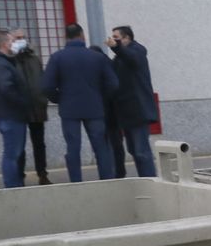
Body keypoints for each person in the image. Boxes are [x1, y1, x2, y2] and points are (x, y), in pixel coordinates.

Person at [42, 23, 118, 181]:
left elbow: (47, 86)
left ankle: (76, 182)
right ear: (83, 36)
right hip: (94, 108)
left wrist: (59, 99)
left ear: (66, 37)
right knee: (100, 147)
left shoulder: (57, 57)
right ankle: (107, 180)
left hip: (69, 109)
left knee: (73, 148)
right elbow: (113, 83)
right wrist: (99, 97)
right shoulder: (97, 57)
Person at [105, 25, 158, 177]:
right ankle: (144, 178)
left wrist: (117, 48)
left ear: (127, 38)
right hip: (126, 111)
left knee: (141, 150)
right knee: (134, 150)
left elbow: (132, 58)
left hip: (138, 110)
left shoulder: (137, 50)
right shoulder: (120, 57)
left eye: (117, 38)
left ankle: (149, 180)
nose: (113, 41)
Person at [0, 29, 29, 189]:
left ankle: (15, 185)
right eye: (12, 40)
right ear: (4, 44)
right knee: (12, 154)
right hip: (10, 114)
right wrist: (23, 101)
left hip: (10, 114)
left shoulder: (2, 61)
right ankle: (12, 188)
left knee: (14, 153)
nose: (15, 43)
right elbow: (6, 88)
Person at [9, 27, 52, 184]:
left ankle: (42, 173)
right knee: (19, 145)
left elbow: (41, 78)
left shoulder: (34, 58)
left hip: (37, 106)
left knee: (39, 143)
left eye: (23, 37)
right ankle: (19, 175)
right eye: (17, 37)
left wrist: (43, 99)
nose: (21, 40)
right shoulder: (9, 60)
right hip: (18, 109)